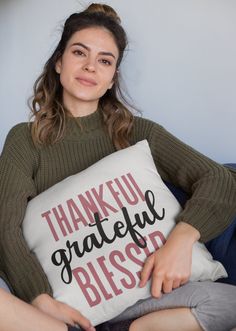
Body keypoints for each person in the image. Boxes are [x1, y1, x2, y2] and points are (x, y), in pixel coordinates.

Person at [0, 3, 236, 331]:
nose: (90, 67)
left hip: (144, 298)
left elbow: (220, 179)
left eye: (104, 60)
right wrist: (42, 300)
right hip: (58, 308)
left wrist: (181, 240)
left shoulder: (138, 133)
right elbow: (5, 227)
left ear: (112, 78)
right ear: (59, 62)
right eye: (79, 52)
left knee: (228, 302)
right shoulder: (24, 139)